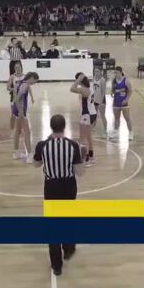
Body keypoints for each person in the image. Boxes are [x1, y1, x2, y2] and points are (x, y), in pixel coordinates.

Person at [33, 114, 85, 276]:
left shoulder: (43, 145)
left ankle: (56, 265)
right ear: (64, 127)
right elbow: (80, 172)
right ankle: (68, 249)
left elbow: (36, 164)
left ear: (51, 127)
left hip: (51, 186)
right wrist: (82, 157)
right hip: (69, 185)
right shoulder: (73, 146)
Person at [12, 72, 40, 164]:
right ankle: (30, 156)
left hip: (16, 110)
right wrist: (21, 112)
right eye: (34, 81)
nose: (34, 83)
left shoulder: (19, 82)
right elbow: (18, 99)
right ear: (31, 78)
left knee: (17, 131)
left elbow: (15, 96)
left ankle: (16, 153)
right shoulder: (25, 85)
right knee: (27, 132)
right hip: (20, 111)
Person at [70, 73, 96, 166]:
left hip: (86, 115)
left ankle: (86, 159)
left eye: (77, 80)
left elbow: (72, 88)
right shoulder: (91, 86)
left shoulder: (84, 89)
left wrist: (78, 80)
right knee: (89, 137)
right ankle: (91, 157)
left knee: (82, 139)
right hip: (91, 114)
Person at [110, 66, 133, 141]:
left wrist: (126, 99)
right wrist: (112, 92)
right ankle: (116, 132)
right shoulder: (113, 81)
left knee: (127, 118)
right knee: (116, 118)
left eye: (117, 72)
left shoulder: (126, 81)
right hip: (116, 101)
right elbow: (112, 90)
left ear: (120, 72)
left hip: (124, 102)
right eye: (115, 73)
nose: (116, 74)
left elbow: (130, 91)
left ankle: (130, 133)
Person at [7, 62, 26, 131]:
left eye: (19, 67)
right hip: (14, 97)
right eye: (16, 68)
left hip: (22, 98)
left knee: (22, 114)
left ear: (21, 68)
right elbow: (8, 87)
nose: (17, 69)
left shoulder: (25, 76)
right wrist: (14, 89)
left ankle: (21, 128)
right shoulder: (12, 76)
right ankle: (12, 129)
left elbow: (27, 86)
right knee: (13, 114)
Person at [92, 67, 108, 138]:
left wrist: (101, 101)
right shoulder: (93, 78)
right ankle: (93, 129)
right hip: (95, 99)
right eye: (95, 71)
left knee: (102, 115)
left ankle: (105, 130)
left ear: (100, 72)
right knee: (94, 115)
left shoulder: (102, 80)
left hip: (101, 100)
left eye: (97, 71)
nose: (96, 73)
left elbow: (103, 92)